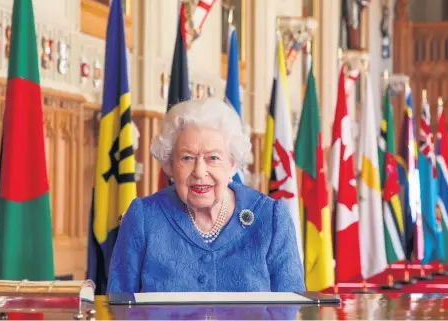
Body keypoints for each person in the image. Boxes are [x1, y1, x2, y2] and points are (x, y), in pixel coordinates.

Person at [107, 98, 305, 293]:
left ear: (232, 164)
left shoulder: (271, 218)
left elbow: (293, 309)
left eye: (213, 158)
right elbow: (119, 307)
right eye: (187, 158)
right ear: (169, 165)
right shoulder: (144, 218)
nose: (200, 172)